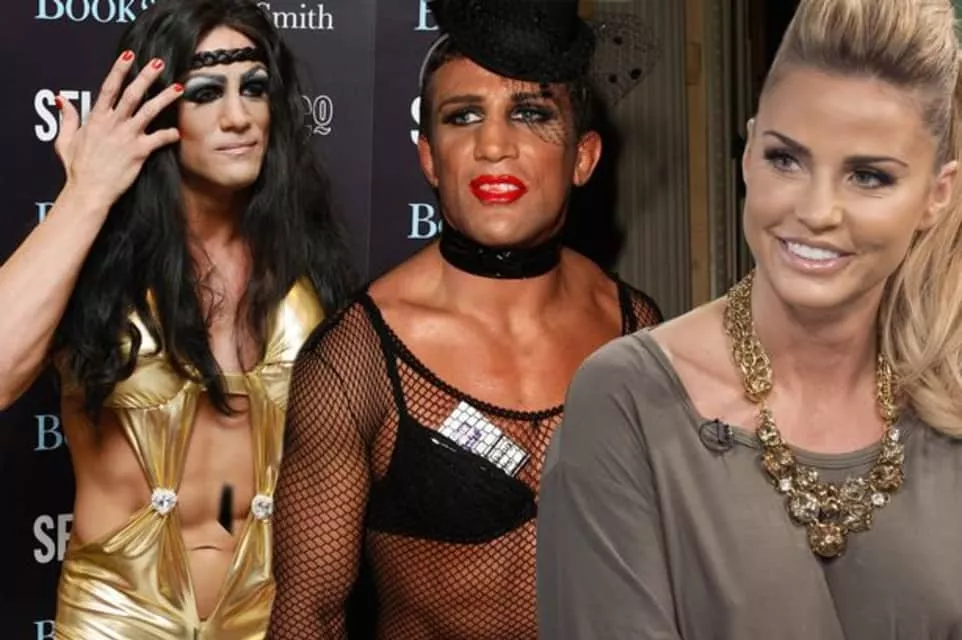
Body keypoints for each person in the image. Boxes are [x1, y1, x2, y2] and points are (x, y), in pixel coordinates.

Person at [537, 0, 962, 637]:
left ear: (936, 195)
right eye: (785, 159)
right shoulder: (627, 400)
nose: (816, 211)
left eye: (869, 176)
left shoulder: (948, 402)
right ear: (748, 153)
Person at [266, 0, 662, 637]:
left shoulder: (633, 325)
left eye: (531, 114)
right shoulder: (358, 358)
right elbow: (307, 615)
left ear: (583, 158)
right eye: (464, 116)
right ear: (429, 158)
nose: (493, 145)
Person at [0, 0, 355, 637]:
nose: (238, 116)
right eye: (206, 93)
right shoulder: (99, 260)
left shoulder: (307, 264)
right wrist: (87, 192)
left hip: (269, 617)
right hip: (117, 619)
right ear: (158, 112)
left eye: (254, 88)